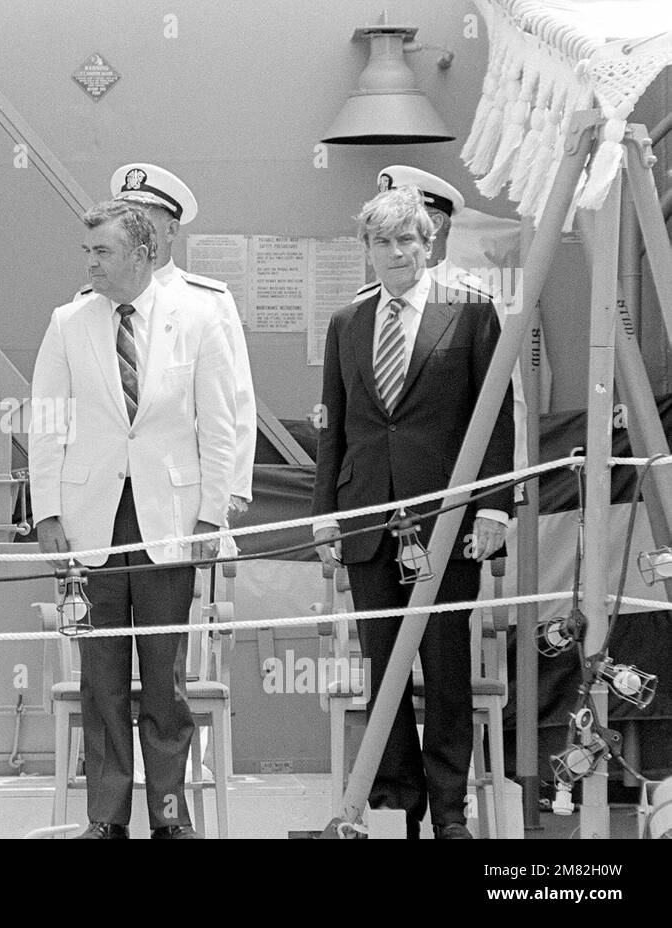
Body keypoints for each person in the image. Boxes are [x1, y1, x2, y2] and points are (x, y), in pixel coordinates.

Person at [30, 199, 238, 839]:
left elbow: (220, 424)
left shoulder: (199, 318)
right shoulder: (68, 322)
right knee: (102, 682)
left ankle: (170, 815)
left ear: (144, 254)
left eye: (104, 251)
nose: (90, 262)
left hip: (170, 523)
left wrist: (211, 517)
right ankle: (106, 817)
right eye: (87, 251)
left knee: (166, 679)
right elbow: (46, 422)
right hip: (90, 523)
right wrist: (46, 512)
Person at [311, 184, 514, 839]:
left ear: (429, 246)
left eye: (407, 240)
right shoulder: (347, 322)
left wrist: (495, 510)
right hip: (368, 520)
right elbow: (334, 429)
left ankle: (451, 808)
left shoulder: (473, 313)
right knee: (381, 668)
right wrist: (324, 517)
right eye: (382, 241)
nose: (395, 252)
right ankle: (402, 796)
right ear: (366, 250)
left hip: (449, 524)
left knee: (447, 669)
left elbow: (497, 420)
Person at [108, 162, 257, 521]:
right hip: (108, 489)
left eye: (143, 218)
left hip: (177, 493)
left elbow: (234, 398)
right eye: (124, 217)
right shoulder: (92, 301)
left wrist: (232, 489)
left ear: (172, 229)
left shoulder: (207, 301)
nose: (132, 228)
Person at [376, 165, 532, 491]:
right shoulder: (365, 305)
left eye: (399, 219)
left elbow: (504, 398)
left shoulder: (476, 302)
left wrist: (503, 491)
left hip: (453, 485)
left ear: (433, 224)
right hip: (380, 489)